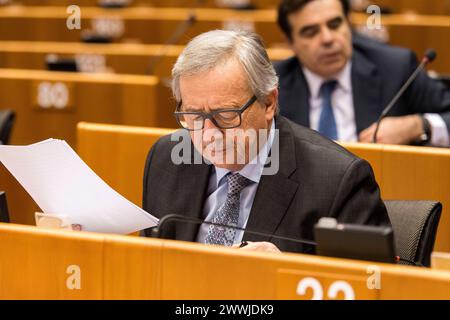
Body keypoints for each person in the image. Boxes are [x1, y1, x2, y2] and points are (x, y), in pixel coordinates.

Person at [142, 29, 390, 254]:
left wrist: (287, 274)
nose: (208, 135)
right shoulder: (165, 159)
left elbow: (364, 285)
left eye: (225, 115)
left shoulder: (339, 181)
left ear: (269, 102)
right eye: (193, 116)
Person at [276, 0, 450, 146]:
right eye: (311, 32)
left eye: (335, 24)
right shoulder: (271, 86)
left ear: (349, 24)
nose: (327, 39)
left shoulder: (395, 67)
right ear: (290, 42)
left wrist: (419, 126)